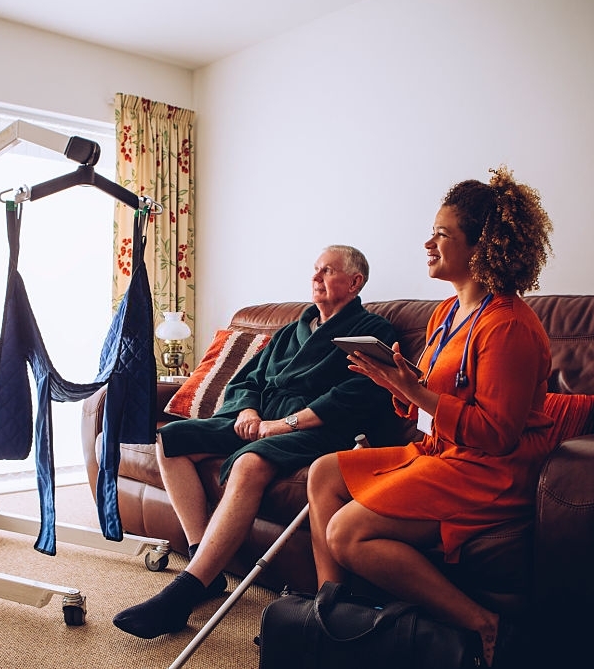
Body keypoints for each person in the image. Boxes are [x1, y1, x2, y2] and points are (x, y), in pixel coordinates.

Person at [306, 166, 554, 667]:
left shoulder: (507, 325)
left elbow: (498, 434)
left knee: (346, 532)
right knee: (323, 472)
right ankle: (332, 617)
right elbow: (428, 399)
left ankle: (486, 626)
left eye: (442, 234)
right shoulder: (445, 313)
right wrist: (395, 386)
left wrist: (415, 392)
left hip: (487, 470)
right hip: (440, 452)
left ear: (480, 247)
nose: (428, 242)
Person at [113, 245, 400, 639]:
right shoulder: (289, 332)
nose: (316, 277)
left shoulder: (372, 332)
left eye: (328, 271)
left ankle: (186, 590)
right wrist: (247, 411)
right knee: (171, 440)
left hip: (314, 430)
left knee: (250, 463)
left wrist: (282, 424)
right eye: (315, 270)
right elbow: (247, 379)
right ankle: (203, 558)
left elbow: (353, 395)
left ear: (355, 282)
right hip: (257, 419)